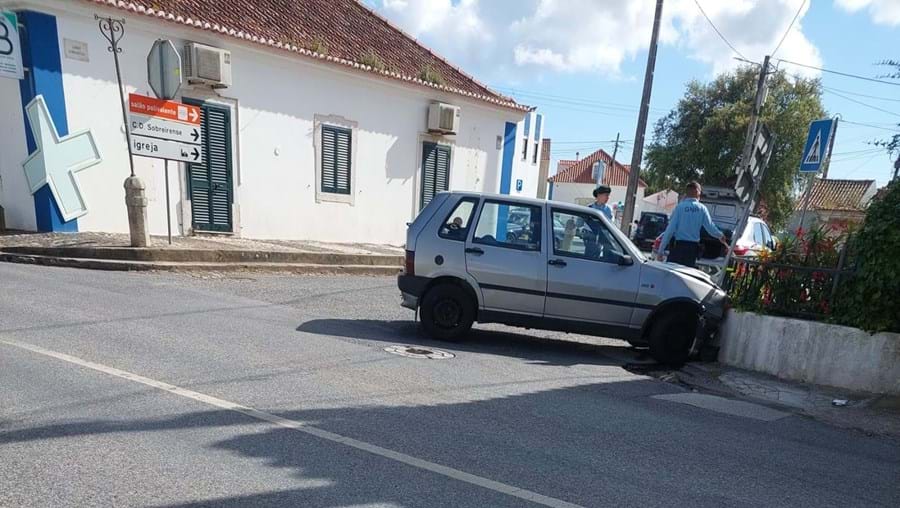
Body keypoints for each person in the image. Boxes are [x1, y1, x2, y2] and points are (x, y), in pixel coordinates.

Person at [656, 181, 728, 268]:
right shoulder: (702, 208)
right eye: (700, 191)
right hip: (692, 250)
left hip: (678, 247)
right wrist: (720, 235)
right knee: (686, 276)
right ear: (697, 192)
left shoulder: (680, 207)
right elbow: (710, 227)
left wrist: (661, 251)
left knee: (673, 275)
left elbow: (670, 230)